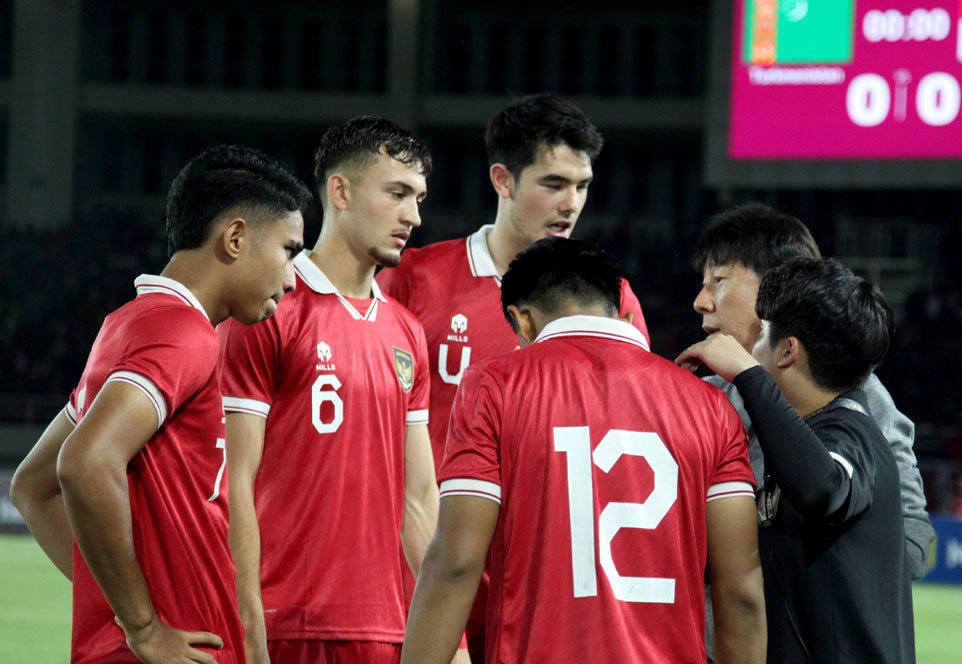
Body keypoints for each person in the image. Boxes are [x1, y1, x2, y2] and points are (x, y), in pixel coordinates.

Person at [10, 145, 311, 663]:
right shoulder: (182, 335)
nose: (290, 279)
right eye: (289, 251)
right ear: (235, 238)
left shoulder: (127, 323)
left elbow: (32, 487)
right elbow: (83, 464)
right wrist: (144, 626)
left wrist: (119, 607)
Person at [402, 238, 766, 664]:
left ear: (521, 321)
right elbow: (740, 589)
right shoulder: (709, 405)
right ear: (622, 313)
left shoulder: (492, 386)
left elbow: (456, 563)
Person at [377, 95, 648, 658]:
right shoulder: (414, 281)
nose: (571, 204)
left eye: (582, 185)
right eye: (553, 183)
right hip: (424, 570)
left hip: (549, 581)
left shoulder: (612, 302)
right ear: (502, 178)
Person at [218, 117, 454, 664]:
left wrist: (454, 638)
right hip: (287, 626)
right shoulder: (269, 311)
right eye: (397, 194)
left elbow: (420, 500)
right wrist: (249, 626)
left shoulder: (407, 331)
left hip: (388, 630)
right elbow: (235, 484)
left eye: (418, 198)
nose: (413, 216)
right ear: (341, 191)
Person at [677, 257, 916, 663]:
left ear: (787, 351)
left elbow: (823, 489)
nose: (751, 348)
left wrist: (747, 375)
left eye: (762, 336)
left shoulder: (854, 431)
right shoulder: (800, 438)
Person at [688, 203, 934, 576]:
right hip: (707, 634)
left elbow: (911, 545)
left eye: (718, 281)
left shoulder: (859, 399)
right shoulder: (705, 395)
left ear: (780, 283)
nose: (701, 301)